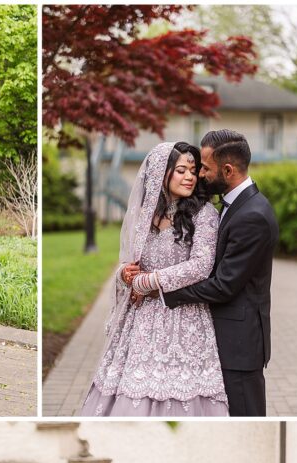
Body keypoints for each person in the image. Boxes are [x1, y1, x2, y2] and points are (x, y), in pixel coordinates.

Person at [81, 141, 228, 416]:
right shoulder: (145, 215)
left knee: (179, 389)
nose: (189, 177)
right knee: (133, 389)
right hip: (140, 321)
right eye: (181, 170)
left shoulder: (204, 214)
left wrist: (148, 282)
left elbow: (201, 266)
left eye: (193, 171)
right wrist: (125, 274)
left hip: (183, 317)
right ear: (163, 173)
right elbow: (131, 262)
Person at [162, 130, 278, 417]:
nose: (200, 174)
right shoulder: (232, 205)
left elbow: (224, 285)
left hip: (239, 343)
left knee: (244, 417)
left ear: (228, 170)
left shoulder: (253, 215)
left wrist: (166, 292)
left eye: (205, 167)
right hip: (225, 337)